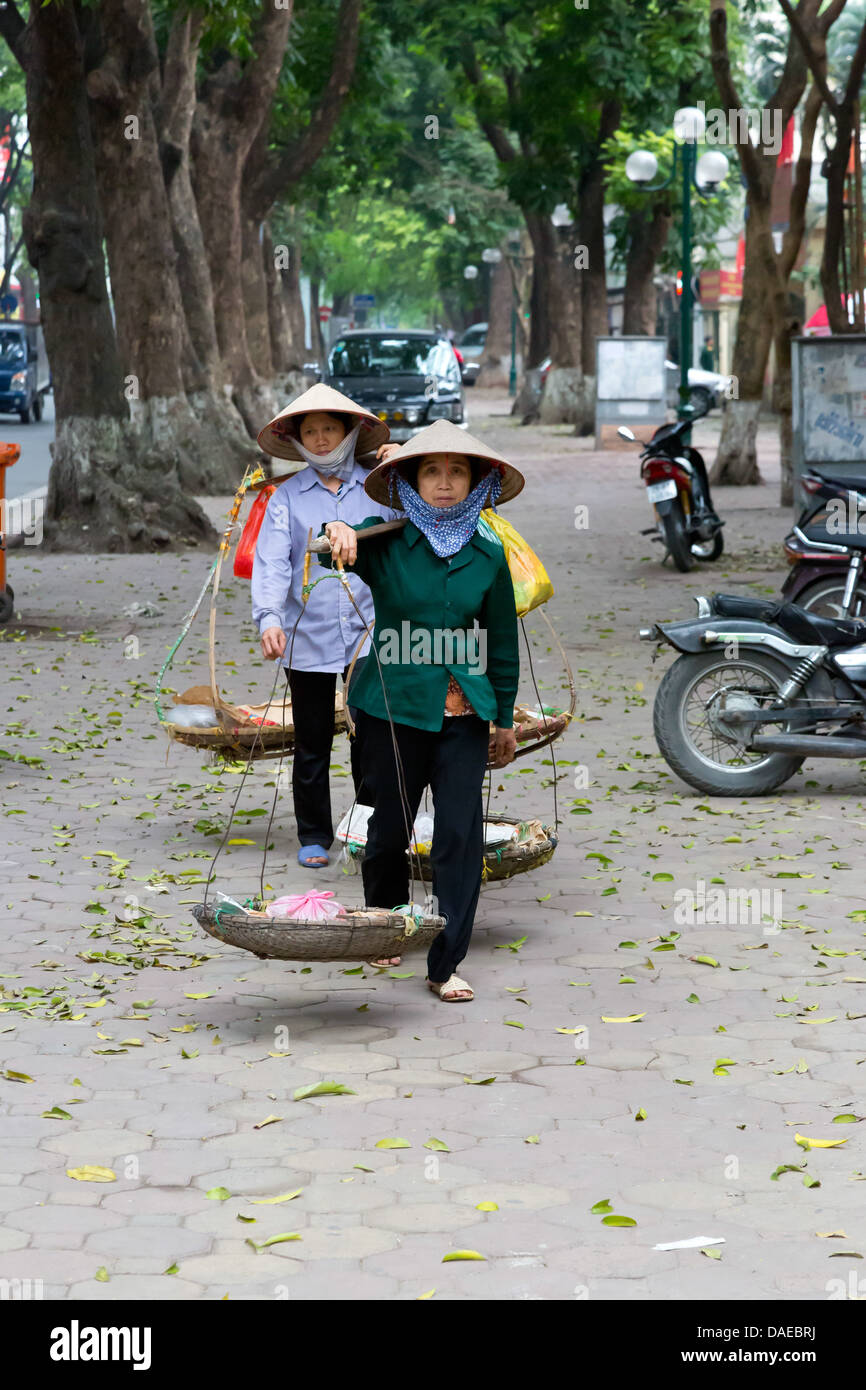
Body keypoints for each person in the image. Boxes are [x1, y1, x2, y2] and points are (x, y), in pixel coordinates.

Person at [321, 417, 524, 1002]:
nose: (443, 482)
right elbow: (338, 541)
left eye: (456, 472)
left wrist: (504, 718)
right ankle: (387, 924)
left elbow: (501, 644)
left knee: (459, 835)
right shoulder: (385, 541)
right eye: (431, 471)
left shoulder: (488, 556)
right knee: (388, 830)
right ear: (410, 481)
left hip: (464, 717)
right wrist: (339, 529)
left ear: (475, 482)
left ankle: (444, 963)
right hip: (391, 707)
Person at [252, 383, 399, 869]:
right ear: (297, 440)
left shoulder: (379, 487)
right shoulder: (286, 499)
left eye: (328, 430)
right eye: (310, 431)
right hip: (305, 635)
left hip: (371, 634)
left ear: (349, 432)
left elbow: (416, 521)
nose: (319, 440)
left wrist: (399, 466)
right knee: (312, 740)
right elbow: (272, 563)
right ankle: (314, 835)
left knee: (371, 738)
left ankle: (367, 832)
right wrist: (270, 618)